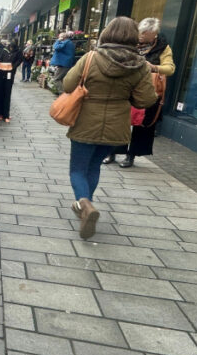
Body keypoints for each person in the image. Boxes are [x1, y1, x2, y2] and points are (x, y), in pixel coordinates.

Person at [61, 17, 157, 239]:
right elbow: (145, 100)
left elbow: (67, 84)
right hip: (116, 126)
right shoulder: (140, 65)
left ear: (107, 33)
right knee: (94, 166)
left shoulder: (90, 58)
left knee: (77, 169)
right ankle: (87, 206)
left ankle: (84, 204)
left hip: (86, 121)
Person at [103, 17, 176, 167]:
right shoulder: (130, 42)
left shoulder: (163, 47)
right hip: (126, 87)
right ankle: (112, 152)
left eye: (146, 34)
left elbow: (170, 68)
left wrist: (154, 67)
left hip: (147, 87)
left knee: (143, 123)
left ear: (154, 34)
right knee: (119, 120)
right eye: (141, 32)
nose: (142, 36)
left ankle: (132, 155)